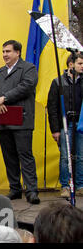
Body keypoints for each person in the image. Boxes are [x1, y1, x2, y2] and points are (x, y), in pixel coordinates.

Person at [0, 40, 40, 204]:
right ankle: (15, 189)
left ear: (18, 52)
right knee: (9, 156)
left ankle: (31, 190)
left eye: (8, 51)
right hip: (3, 121)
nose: (5, 55)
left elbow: (27, 86)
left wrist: (5, 98)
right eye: (3, 51)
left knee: (25, 155)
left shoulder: (28, 68)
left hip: (21, 120)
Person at [47, 53, 83, 198]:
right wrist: (55, 130)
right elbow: (52, 108)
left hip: (80, 123)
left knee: (81, 156)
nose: (82, 66)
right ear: (71, 64)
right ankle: (65, 186)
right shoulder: (58, 82)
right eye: (80, 63)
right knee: (65, 157)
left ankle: (80, 185)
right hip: (65, 123)